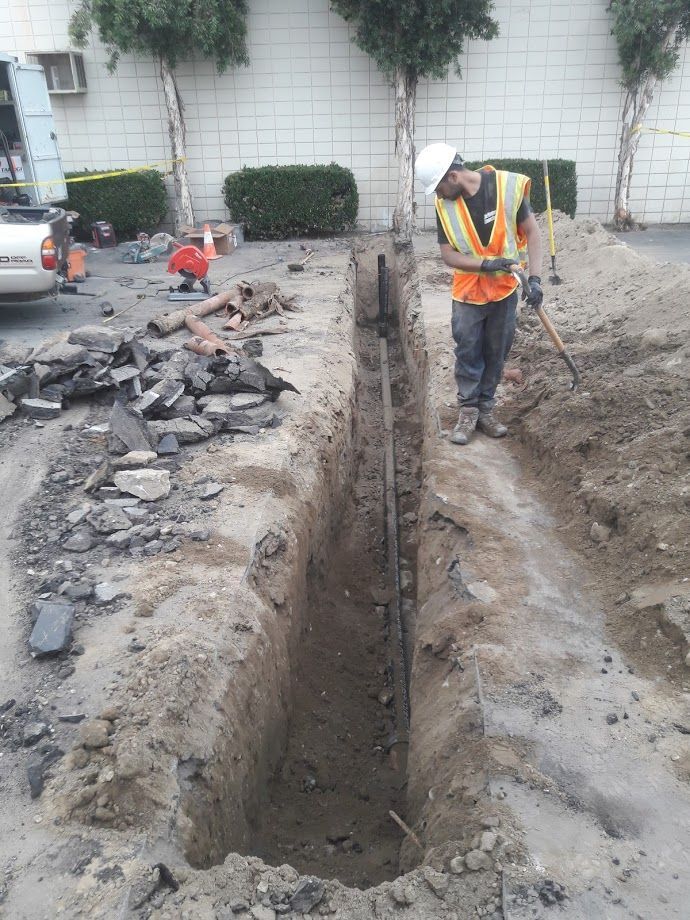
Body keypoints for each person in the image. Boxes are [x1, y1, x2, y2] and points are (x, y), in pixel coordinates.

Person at [414, 143, 543, 445]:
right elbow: (448, 255)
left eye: (439, 188)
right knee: (468, 351)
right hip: (468, 293)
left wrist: (535, 280)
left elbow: (533, 233)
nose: (439, 195)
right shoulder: (444, 207)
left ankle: (486, 408)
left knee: (496, 352)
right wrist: (486, 264)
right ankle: (468, 411)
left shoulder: (507, 187)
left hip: (504, 291)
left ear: (453, 177)